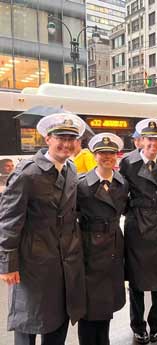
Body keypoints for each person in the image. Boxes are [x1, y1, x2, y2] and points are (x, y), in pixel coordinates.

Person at [0, 113, 87, 345]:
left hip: (64, 260)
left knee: (58, 320)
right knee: (28, 323)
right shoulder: (26, 173)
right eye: (61, 137)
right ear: (47, 138)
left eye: (72, 138)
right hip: (33, 263)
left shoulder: (71, 169)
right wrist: (8, 263)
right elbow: (9, 220)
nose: (67, 144)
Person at [119, 119, 157, 344]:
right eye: (149, 138)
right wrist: (134, 209)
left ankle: (155, 323)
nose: (153, 143)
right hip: (137, 226)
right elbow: (120, 194)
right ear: (140, 140)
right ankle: (138, 325)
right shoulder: (128, 163)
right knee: (137, 280)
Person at [76, 133, 129, 345]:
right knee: (89, 305)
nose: (107, 157)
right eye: (101, 153)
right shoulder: (81, 184)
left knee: (106, 302)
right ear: (94, 156)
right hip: (89, 247)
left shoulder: (121, 182)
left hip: (114, 245)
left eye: (111, 153)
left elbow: (123, 208)